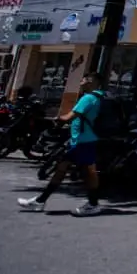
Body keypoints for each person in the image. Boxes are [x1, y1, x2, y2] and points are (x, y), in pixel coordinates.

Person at [17, 72, 105, 217]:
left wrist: (56, 119)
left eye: (83, 79)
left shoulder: (88, 98)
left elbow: (70, 116)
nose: (81, 82)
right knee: (64, 169)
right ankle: (40, 201)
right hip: (84, 139)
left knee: (86, 172)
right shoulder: (100, 97)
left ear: (90, 81)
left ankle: (93, 204)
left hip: (82, 141)